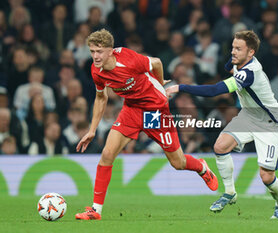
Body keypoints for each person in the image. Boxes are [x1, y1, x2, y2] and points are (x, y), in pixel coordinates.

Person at [75, 29, 218, 220]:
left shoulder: (129, 59)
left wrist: (159, 85)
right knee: (107, 154)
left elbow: (157, 63)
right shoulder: (96, 70)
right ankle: (95, 210)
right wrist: (92, 130)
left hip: (155, 110)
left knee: (178, 162)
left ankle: (201, 167)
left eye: (99, 51)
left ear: (110, 50)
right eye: (92, 51)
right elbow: (101, 98)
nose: (95, 56)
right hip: (131, 110)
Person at [166, 30, 278, 219]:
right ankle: (230, 192)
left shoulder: (250, 73)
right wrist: (232, 65)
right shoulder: (239, 63)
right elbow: (228, 66)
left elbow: (215, 90)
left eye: (238, 49)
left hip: (269, 122)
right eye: (233, 47)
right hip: (249, 116)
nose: (233, 52)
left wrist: (180, 87)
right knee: (220, 146)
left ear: (251, 53)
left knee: (266, 177)